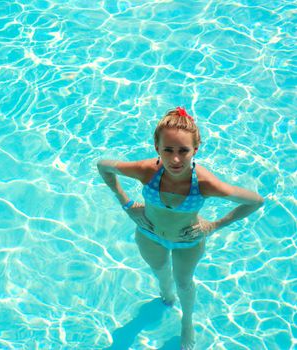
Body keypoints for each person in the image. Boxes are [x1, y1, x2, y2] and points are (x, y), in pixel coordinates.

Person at [96, 107, 264, 350]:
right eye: (168, 150)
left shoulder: (205, 183)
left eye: (183, 151)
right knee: (160, 272)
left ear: (195, 149)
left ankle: (187, 322)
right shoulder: (147, 171)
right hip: (149, 234)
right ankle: (166, 296)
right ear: (157, 148)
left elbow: (255, 201)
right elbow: (104, 166)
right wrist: (126, 203)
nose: (175, 159)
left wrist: (215, 226)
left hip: (188, 241)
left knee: (184, 283)